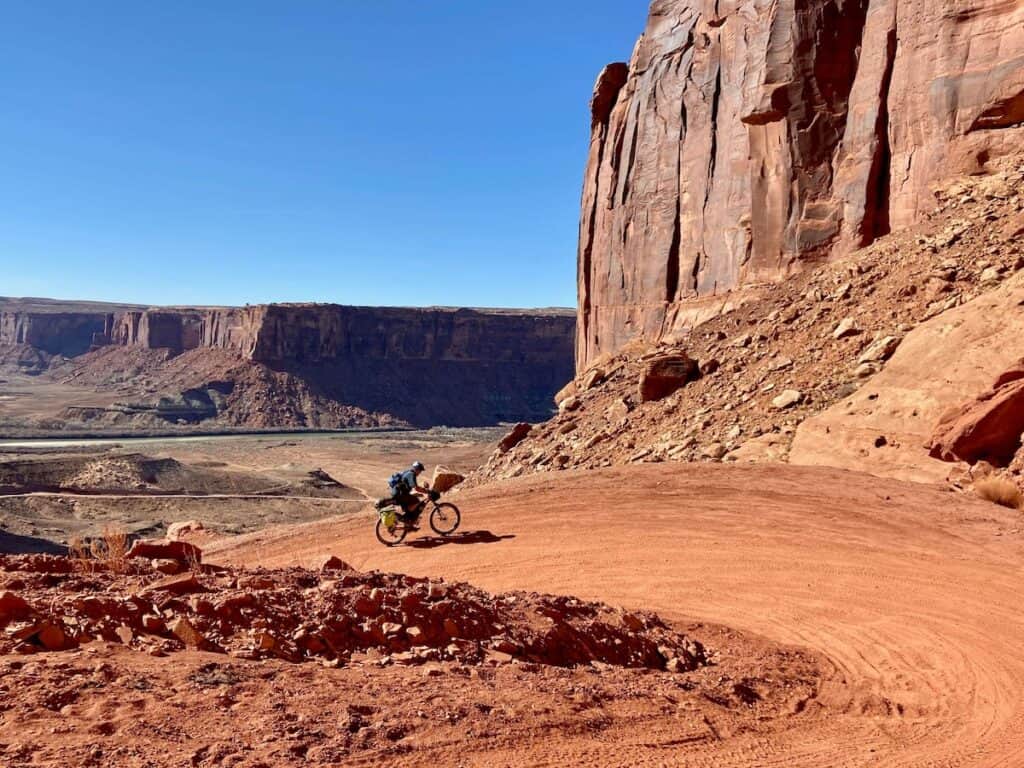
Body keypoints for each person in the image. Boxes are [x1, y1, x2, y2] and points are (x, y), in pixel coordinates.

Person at [390, 460, 433, 525]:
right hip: (401, 495)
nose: (420, 472)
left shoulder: (408, 472)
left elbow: (411, 487)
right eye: (420, 470)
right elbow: (416, 488)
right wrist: (426, 491)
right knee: (417, 502)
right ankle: (408, 519)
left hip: (399, 494)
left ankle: (410, 519)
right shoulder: (412, 474)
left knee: (414, 499)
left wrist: (419, 493)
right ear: (416, 469)